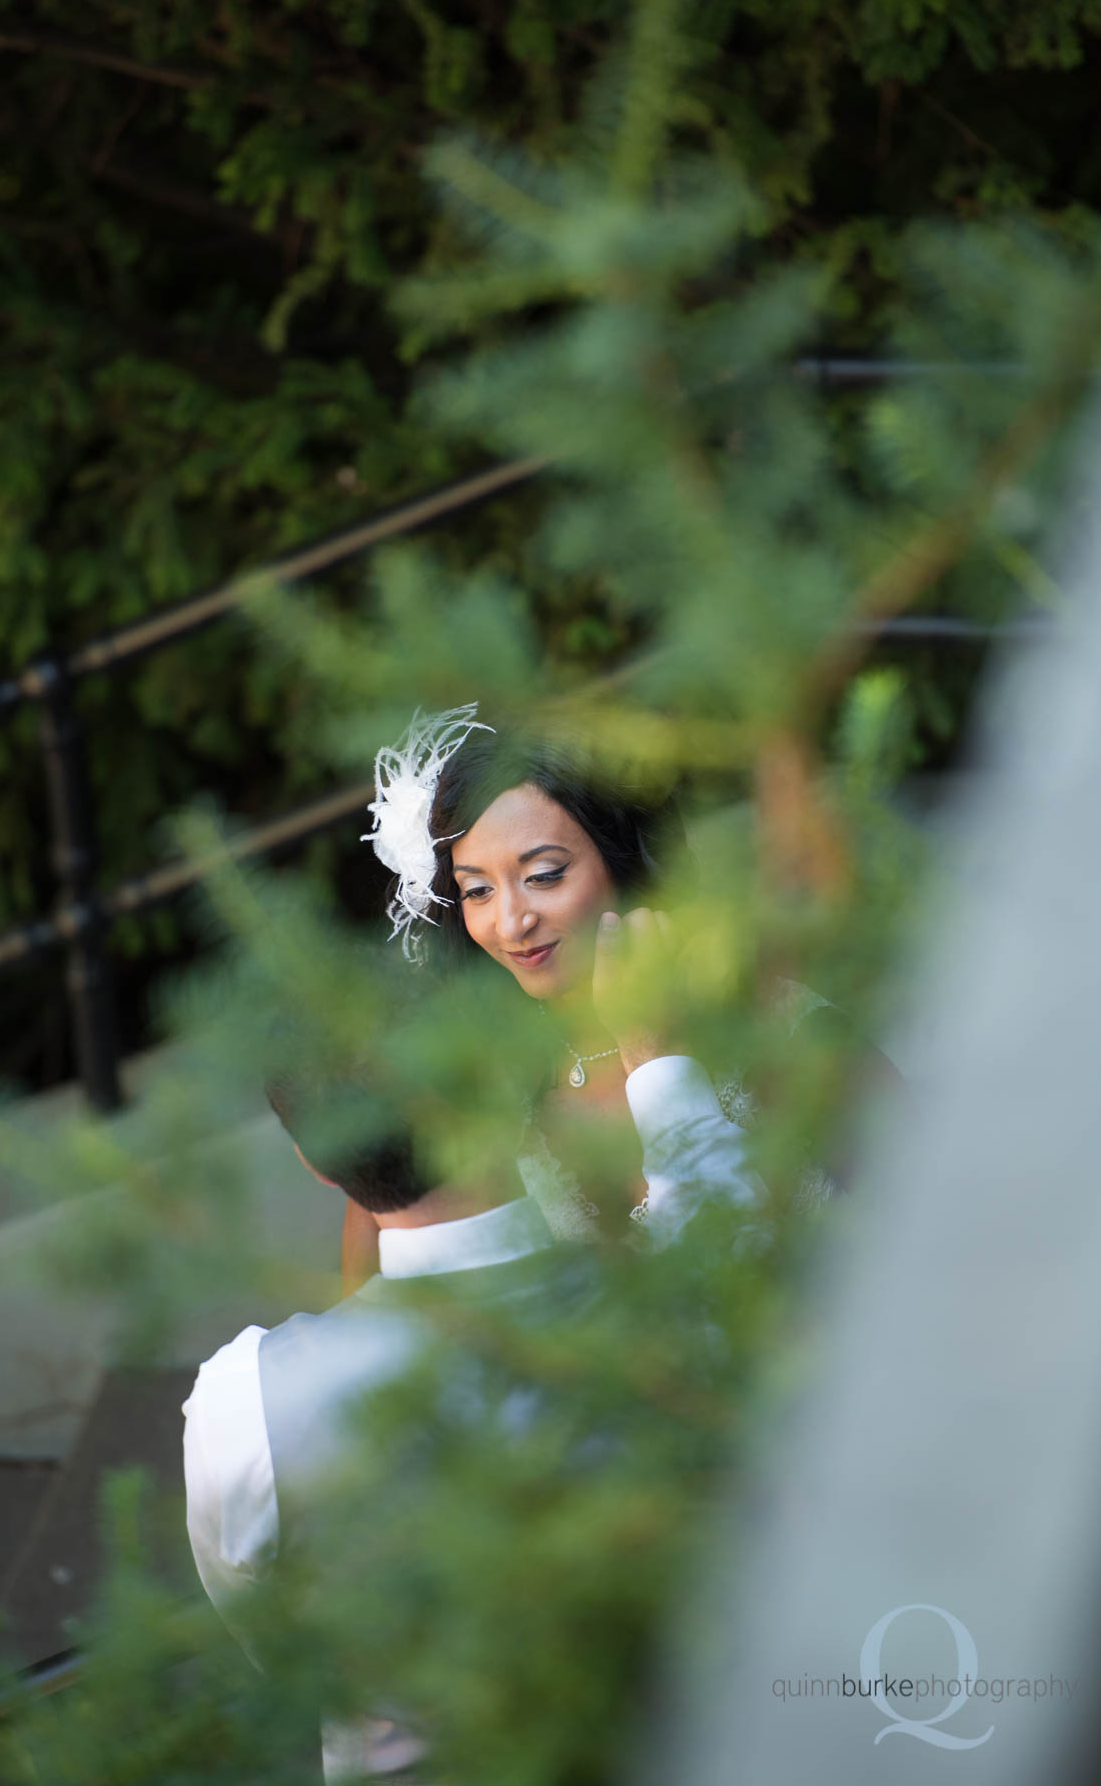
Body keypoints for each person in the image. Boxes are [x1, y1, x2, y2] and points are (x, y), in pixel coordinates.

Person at [182, 1014, 759, 1779]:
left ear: (315, 1166)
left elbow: (274, 1639)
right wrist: (660, 1071)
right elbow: (719, 1208)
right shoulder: (668, 1301)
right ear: (499, 1103)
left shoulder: (243, 1401)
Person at [342, 703, 872, 1286]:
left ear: (620, 860)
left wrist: (660, 1054)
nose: (513, 922)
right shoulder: (474, 1092)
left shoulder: (771, 1020)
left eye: (544, 875)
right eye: (477, 891)